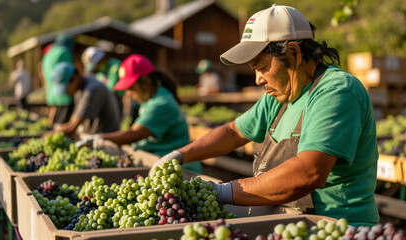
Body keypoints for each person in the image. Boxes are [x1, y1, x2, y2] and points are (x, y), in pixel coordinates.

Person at [151, 4, 379, 226]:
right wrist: (179, 155)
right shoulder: (279, 97)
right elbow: (233, 132)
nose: (258, 79)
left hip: (337, 228)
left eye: (261, 67)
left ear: (293, 52)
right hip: (289, 223)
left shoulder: (336, 91)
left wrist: (223, 191)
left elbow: (309, 172)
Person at [81, 54, 202, 173]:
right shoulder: (151, 99)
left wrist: (101, 137)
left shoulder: (161, 103)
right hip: (162, 162)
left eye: (131, 88)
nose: (128, 93)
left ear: (145, 82)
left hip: (181, 169)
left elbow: (135, 134)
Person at [48, 62, 120, 137]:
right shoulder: (79, 89)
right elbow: (73, 121)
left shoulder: (91, 90)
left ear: (74, 77)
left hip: (105, 139)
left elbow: (72, 127)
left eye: (66, 88)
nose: (66, 92)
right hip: (94, 136)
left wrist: (51, 133)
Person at [41, 34, 75, 125]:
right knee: (64, 123)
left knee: (55, 122)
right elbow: (68, 71)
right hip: (63, 92)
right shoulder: (63, 51)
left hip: (51, 92)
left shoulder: (48, 53)